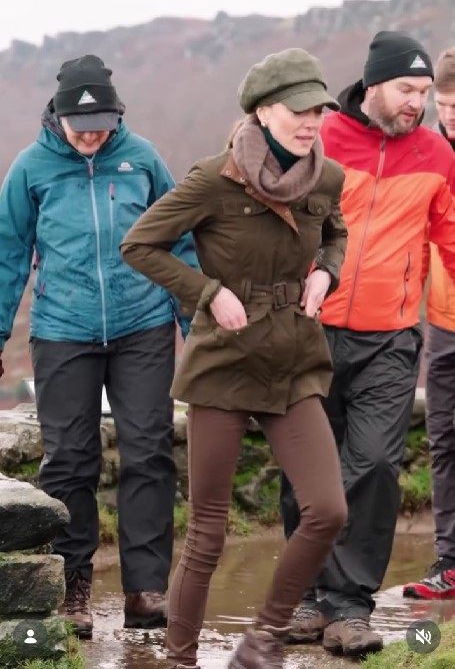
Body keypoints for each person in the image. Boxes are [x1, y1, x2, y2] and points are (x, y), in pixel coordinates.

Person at [121, 47, 348, 669]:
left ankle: (263, 639)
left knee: (327, 510)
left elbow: (336, 232)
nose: (312, 123)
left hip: (294, 359)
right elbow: (140, 244)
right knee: (208, 530)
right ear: (264, 111)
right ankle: (180, 658)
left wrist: (326, 272)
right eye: (299, 111)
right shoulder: (212, 180)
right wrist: (207, 292)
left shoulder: (326, 177)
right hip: (223, 362)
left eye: (319, 111)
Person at [0, 55, 198, 638]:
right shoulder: (31, 169)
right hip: (63, 330)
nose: (91, 135)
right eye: (80, 125)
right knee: (69, 460)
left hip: (143, 325)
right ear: (57, 116)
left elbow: (180, 242)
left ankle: (145, 590)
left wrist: (195, 324)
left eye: (102, 125)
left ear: (117, 116)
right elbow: (8, 255)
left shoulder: (143, 159)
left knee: (149, 451)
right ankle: (72, 588)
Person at [280, 31, 455, 656]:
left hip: (391, 337)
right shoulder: (323, 138)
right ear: (374, 84)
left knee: (375, 464)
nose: (417, 103)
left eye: (424, 92)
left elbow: (451, 237)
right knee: (307, 468)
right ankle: (306, 597)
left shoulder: (436, 153)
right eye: (407, 89)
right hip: (312, 329)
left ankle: (349, 605)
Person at [403, 47, 455, 599]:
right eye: (443, 104)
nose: (450, 115)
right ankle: (450, 563)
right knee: (443, 442)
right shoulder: (427, 153)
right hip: (442, 320)